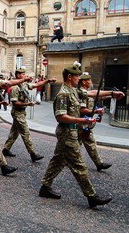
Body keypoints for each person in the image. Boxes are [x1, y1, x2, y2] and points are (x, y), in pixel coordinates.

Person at [39, 62, 125, 208]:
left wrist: (111, 94)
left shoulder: (72, 90)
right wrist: (82, 119)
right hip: (67, 132)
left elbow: (91, 93)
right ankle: (92, 197)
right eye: (77, 75)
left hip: (70, 131)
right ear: (69, 76)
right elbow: (60, 117)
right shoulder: (63, 94)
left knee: (58, 161)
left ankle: (45, 187)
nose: (79, 78)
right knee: (79, 166)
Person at [2, 67, 56, 162]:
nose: (25, 75)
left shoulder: (24, 85)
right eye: (23, 74)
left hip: (22, 113)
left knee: (14, 133)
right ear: (18, 75)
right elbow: (14, 103)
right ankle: (33, 154)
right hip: (17, 113)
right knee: (25, 133)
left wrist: (47, 81)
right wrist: (27, 104)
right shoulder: (15, 87)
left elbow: (36, 84)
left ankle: (6, 149)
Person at [77, 73, 112, 171]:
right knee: (88, 142)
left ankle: (67, 159)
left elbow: (93, 103)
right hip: (82, 123)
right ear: (84, 82)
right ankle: (99, 163)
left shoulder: (88, 92)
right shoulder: (82, 94)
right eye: (89, 80)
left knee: (76, 144)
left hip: (86, 123)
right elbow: (82, 110)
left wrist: (97, 109)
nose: (91, 82)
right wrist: (95, 111)